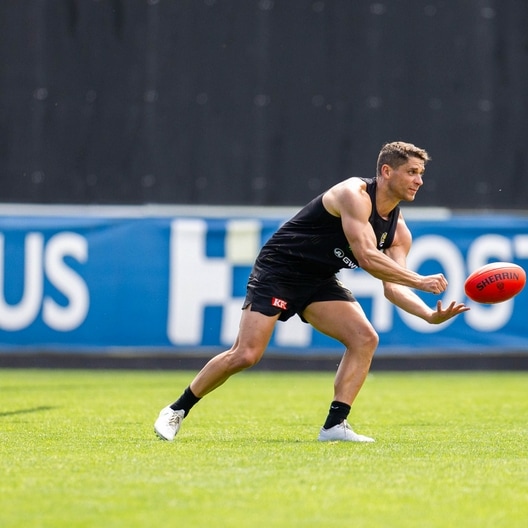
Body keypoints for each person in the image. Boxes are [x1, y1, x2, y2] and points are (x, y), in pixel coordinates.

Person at [154, 141, 469, 442]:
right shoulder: (354, 194)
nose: (419, 181)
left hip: (318, 279)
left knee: (365, 339)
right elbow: (367, 258)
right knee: (246, 354)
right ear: (387, 171)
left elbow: (393, 287)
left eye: (421, 174)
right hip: (280, 269)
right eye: (412, 172)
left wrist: (428, 315)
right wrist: (420, 280)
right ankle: (177, 409)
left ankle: (335, 425)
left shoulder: (398, 231)